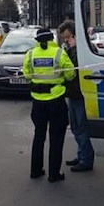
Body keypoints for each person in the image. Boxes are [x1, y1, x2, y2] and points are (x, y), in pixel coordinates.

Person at [23, 28, 75, 183]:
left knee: (39, 135)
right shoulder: (59, 53)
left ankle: (36, 170)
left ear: (37, 40)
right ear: (52, 38)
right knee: (56, 137)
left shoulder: (31, 54)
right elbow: (70, 74)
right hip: (56, 100)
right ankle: (54, 174)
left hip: (38, 101)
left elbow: (26, 74)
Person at [58, 20, 95, 172]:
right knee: (75, 127)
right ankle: (81, 155)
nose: (66, 41)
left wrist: (73, 49)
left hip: (81, 94)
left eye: (68, 37)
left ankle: (86, 160)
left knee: (81, 128)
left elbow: (74, 67)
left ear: (74, 35)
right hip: (72, 94)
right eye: (64, 38)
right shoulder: (68, 48)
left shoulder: (83, 49)